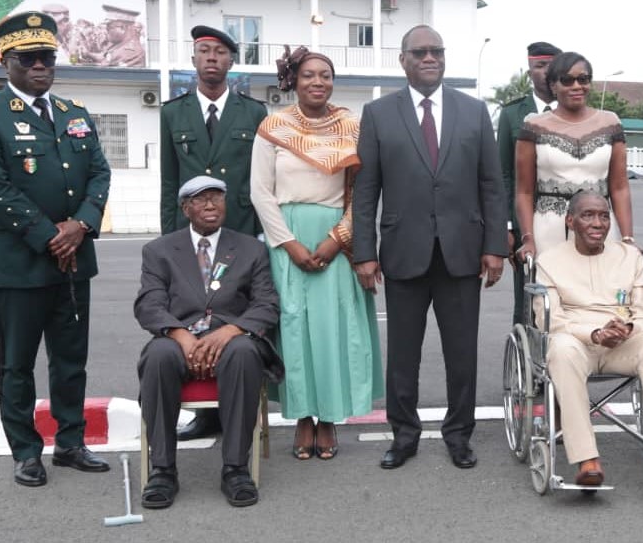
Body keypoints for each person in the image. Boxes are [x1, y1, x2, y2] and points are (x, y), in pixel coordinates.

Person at [0, 11, 112, 486]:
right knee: (17, 364)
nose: (41, 66)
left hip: (74, 263)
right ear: (6, 62)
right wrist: (51, 235)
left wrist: (81, 226)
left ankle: (70, 442)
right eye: (29, 59)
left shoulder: (74, 114)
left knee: (70, 361)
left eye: (47, 57)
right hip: (19, 266)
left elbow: (100, 175)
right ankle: (26, 451)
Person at [352, 24, 507, 470]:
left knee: (462, 354)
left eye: (436, 51)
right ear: (403, 60)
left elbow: (491, 186)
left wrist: (494, 246)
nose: (429, 58)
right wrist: (365, 252)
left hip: (462, 252)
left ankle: (459, 435)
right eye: (419, 52)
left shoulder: (474, 111)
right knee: (403, 354)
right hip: (404, 252)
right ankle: (404, 435)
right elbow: (366, 191)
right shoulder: (379, 113)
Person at [251, 46, 382, 461]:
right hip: (285, 240)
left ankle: (328, 420)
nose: (318, 82)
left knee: (331, 330)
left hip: (334, 241)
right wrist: (288, 243)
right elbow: (260, 192)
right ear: (293, 79)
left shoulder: (351, 126)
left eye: (325, 75)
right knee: (294, 331)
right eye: (309, 75)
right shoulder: (273, 126)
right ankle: (302, 418)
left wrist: (336, 239)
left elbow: (361, 193)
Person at [538, 191, 643, 488]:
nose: (598, 223)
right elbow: (549, 319)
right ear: (570, 221)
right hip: (578, 342)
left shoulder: (630, 258)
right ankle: (587, 459)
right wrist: (593, 334)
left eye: (604, 216)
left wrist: (629, 329)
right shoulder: (549, 260)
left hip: (622, 342)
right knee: (562, 349)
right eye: (587, 215)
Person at [135, 176, 282, 509]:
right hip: (179, 339)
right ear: (187, 208)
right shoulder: (159, 251)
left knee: (245, 352)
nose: (211, 205)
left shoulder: (250, 248)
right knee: (158, 355)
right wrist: (180, 334)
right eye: (201, 200)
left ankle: (235, 468)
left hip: (231, 339)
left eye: (217, 198)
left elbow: (266, 304)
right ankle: (162, 469)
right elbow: (149, 304)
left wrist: (231, 330)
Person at [161, 25, 268, 440]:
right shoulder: (173, 112)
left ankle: (236, 408)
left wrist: (260, 237)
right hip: (190, 237)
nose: (211, 58)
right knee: (195, 313)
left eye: (220, 52)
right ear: (193, 59)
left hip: (240, 231)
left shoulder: (253, 112)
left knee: (235, 316)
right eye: (203, 51)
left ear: (231, 62)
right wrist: (170, 240)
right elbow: (170, 183)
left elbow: (260, 181)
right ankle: (206, 415)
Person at [514, 51, 634, 263]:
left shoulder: (610, 123)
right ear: (553, 86)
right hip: (550, 230)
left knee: (603, 291)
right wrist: (528, 238)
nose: (577, 86)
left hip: (600, 228)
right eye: (567, 80)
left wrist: (627, 239)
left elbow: (619, 187)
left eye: (583, 79)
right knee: (551, 293)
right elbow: (524, 191)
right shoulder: (533, 126)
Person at [497, 41, 561, 324]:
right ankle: (526, 360)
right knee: (526, 298)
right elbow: (504, 173)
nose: (545, 72)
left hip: (568, 221)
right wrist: (508, 227)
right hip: (527, 225)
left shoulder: (579, 110)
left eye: (551, 66)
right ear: (529, 71)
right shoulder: (512, 114)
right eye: (539, 66)